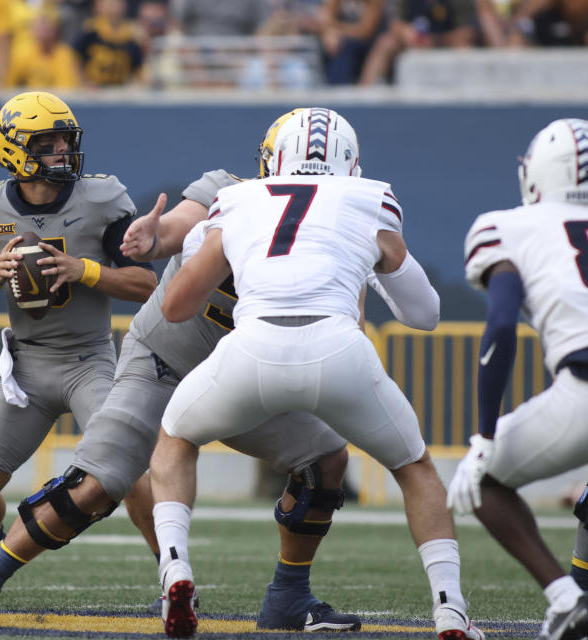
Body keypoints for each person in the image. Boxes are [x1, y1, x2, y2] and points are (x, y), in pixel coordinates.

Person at [0, 109, 366, 632]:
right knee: (96, 484)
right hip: (164, 359)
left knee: (325, 460)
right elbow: (179, 225)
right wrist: (155, 236)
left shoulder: (339, 231)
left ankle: (289, 598)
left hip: (239, 375)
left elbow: (348, 322)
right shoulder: (228, 191)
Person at [145, 107, 481, 639]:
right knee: (415, 468)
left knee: (176, 437)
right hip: (339, 350)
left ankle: (175, 568)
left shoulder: (237, 199)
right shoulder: (371, 197)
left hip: (250, 350)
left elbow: (177, 306)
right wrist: (372, 263)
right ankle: (449, 608)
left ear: (275, 156)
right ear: (349, 160)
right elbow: (424, 315)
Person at [0, 91, 159, 599]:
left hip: (89, 360)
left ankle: (169, 572)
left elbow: (146, 286)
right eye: (48, 141)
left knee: (130, 468)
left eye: (65, 138)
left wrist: (85, 270)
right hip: (29, 368)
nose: (62, 149)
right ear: (16, 150)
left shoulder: (100, 199)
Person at [449, 117, 588, 640]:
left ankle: (565, 598)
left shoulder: (507, 226)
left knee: (483, 481)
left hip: (583, 388)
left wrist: (484, 434)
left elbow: (502, 323)